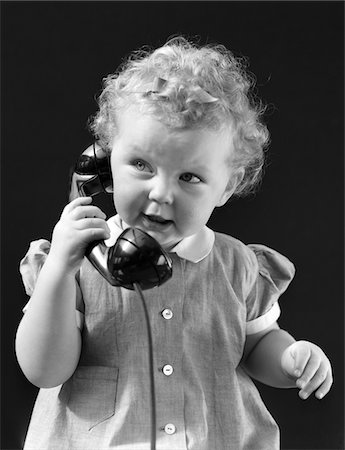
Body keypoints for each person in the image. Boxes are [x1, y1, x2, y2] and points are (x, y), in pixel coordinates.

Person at [15, 37, 333, 450]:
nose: (162, 193)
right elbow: (43, 371)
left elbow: (256, 343)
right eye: (142, 165)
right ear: (103, 164)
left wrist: (290, 360)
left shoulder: (238, 265)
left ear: (227, 186)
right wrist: (59, 270)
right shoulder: (73, 262)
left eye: (190, 177)